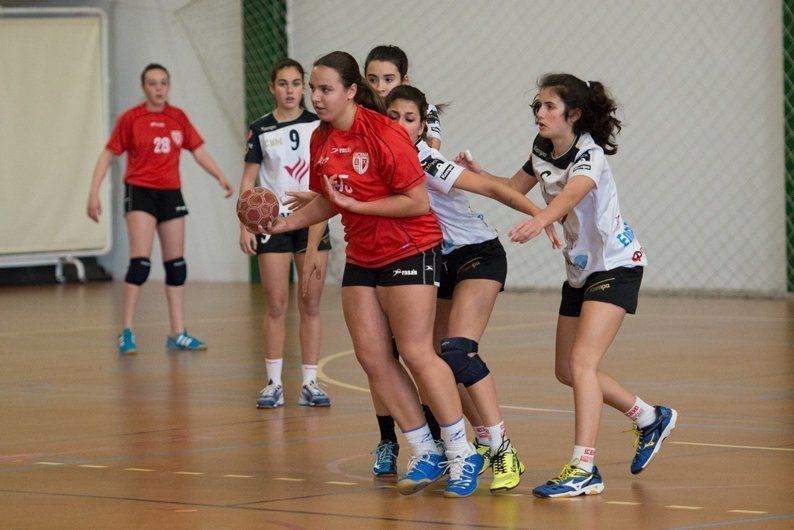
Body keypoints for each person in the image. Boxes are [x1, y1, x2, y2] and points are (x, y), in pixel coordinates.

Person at [254, 51, 483, 498]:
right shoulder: (321, 138)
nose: (315, 97)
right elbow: (326, 199)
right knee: (372, 357)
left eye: (325, 89)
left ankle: (462, 451)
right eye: (312, 89)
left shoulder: (385, 134)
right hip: (363, 254)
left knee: (417, 352)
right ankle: (423, 446)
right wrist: (283, 224)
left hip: (410, 247)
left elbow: (416, 202)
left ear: (351, 91)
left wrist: (356, 206)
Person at [460, 73, 677, 498]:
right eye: (536, 107)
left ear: (573, 114)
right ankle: (649, 417)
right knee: (568, 370)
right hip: (581, 271)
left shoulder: (589, 157)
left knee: (581, 363)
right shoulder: (542, 149)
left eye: (549, 107)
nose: (539, 114)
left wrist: (541, 220)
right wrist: (480, 174)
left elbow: (568, 198)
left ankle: (584, 467)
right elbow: (511, 190)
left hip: (617, 265)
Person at [384, 85, 561, 493]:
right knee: (430, 360)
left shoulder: (426, 159)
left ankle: (501, 447)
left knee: (458, 349)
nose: (399, 125)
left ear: (422, 127)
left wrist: (542, 215)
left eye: (409, 119)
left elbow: (495, 189)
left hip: (477, 253)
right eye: (392, 117)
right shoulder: (380, 159)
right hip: (435, 262)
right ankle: (478, 440)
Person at [87, 63, 232, 354]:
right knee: (140, 263)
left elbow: (198, 150)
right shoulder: (131, 118)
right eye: (152, 83)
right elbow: (107, 155)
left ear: (168, 86)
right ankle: (126, 331)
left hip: (170, 193)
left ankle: (177, 333)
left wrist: (220, 176)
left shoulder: (177, 117)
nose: (158, 88)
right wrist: (94, 192)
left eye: (163, 83)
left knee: (176, 266)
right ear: (144, 87)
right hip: (140, 192)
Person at [240, 59, 332, 409]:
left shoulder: (319, 125)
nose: (290, 90)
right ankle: (273, 383)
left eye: (296, 83)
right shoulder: (260, 129)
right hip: (273, 223)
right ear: (271, 88)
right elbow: (248, 179)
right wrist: (245, 223)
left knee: (310, 301)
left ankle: (310, 382)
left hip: (312, 220)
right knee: (276, 303)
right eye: (283, 83)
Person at [364, 45, 443, 150]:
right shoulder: (356, 111)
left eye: (388, 80)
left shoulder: (427, 110)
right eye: (372, 80)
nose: (379, 88)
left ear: (404, 80)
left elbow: (432, 152)